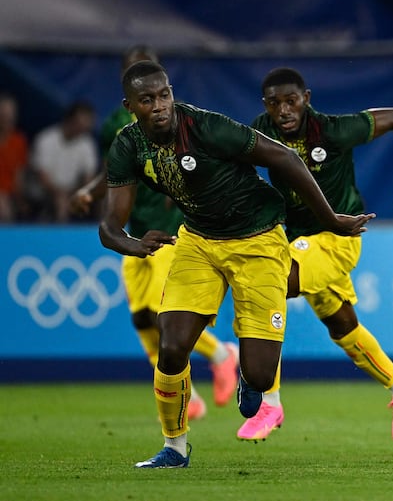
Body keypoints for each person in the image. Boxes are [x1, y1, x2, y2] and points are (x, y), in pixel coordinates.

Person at [99, 60, 372, 468]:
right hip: (199, 241)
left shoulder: (207, 127)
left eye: (164, 94)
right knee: (171, 347)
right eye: (147, 99)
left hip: (258, 238)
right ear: (130, 105)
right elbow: (109, 225)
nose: (159, 105)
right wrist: (133, 244)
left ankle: (248, 373)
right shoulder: (127, 144)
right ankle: (174, 448)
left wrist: (332, 220)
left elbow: (285, 159)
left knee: (262, 378)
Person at [239, 67, 393, 444]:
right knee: (343, 328)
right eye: (275, 104)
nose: (284, 110)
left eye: (291, 101)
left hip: (339, 238)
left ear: (306, 98)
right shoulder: (262, 129)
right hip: (297, 240)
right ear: (266, 106)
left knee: (270, 282)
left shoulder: (334, 130)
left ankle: (269, 404)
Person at [71, 45, 240, 420]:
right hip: (137, 230)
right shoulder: (118, 127)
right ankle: (193, 393)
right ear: (129, 95)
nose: (156, 101)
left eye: (160, 90)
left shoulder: (181, 121)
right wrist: (89, 192)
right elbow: (114, 171)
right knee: (141, 319)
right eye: (142, 90)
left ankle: (220, 355)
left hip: (170, 230)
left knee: (165, 314)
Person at [26, 100, 99, 222]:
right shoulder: (46, 139)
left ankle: (106, 235)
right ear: (70, 121)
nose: (83, 129)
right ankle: (61, 236)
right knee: (60, 200)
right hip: (44, 189)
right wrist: (60, 193)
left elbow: (88, 176)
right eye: (80, 124)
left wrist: (85, 192)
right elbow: (42, 177)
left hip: (73, 190)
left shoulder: (87, 143)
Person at [0, 92, 28, 222]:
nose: (7, 119)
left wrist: (20, 199)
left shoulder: (19, 141)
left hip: (10, 194)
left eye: (10, 115)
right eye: (4, 115)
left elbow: (19, 174)